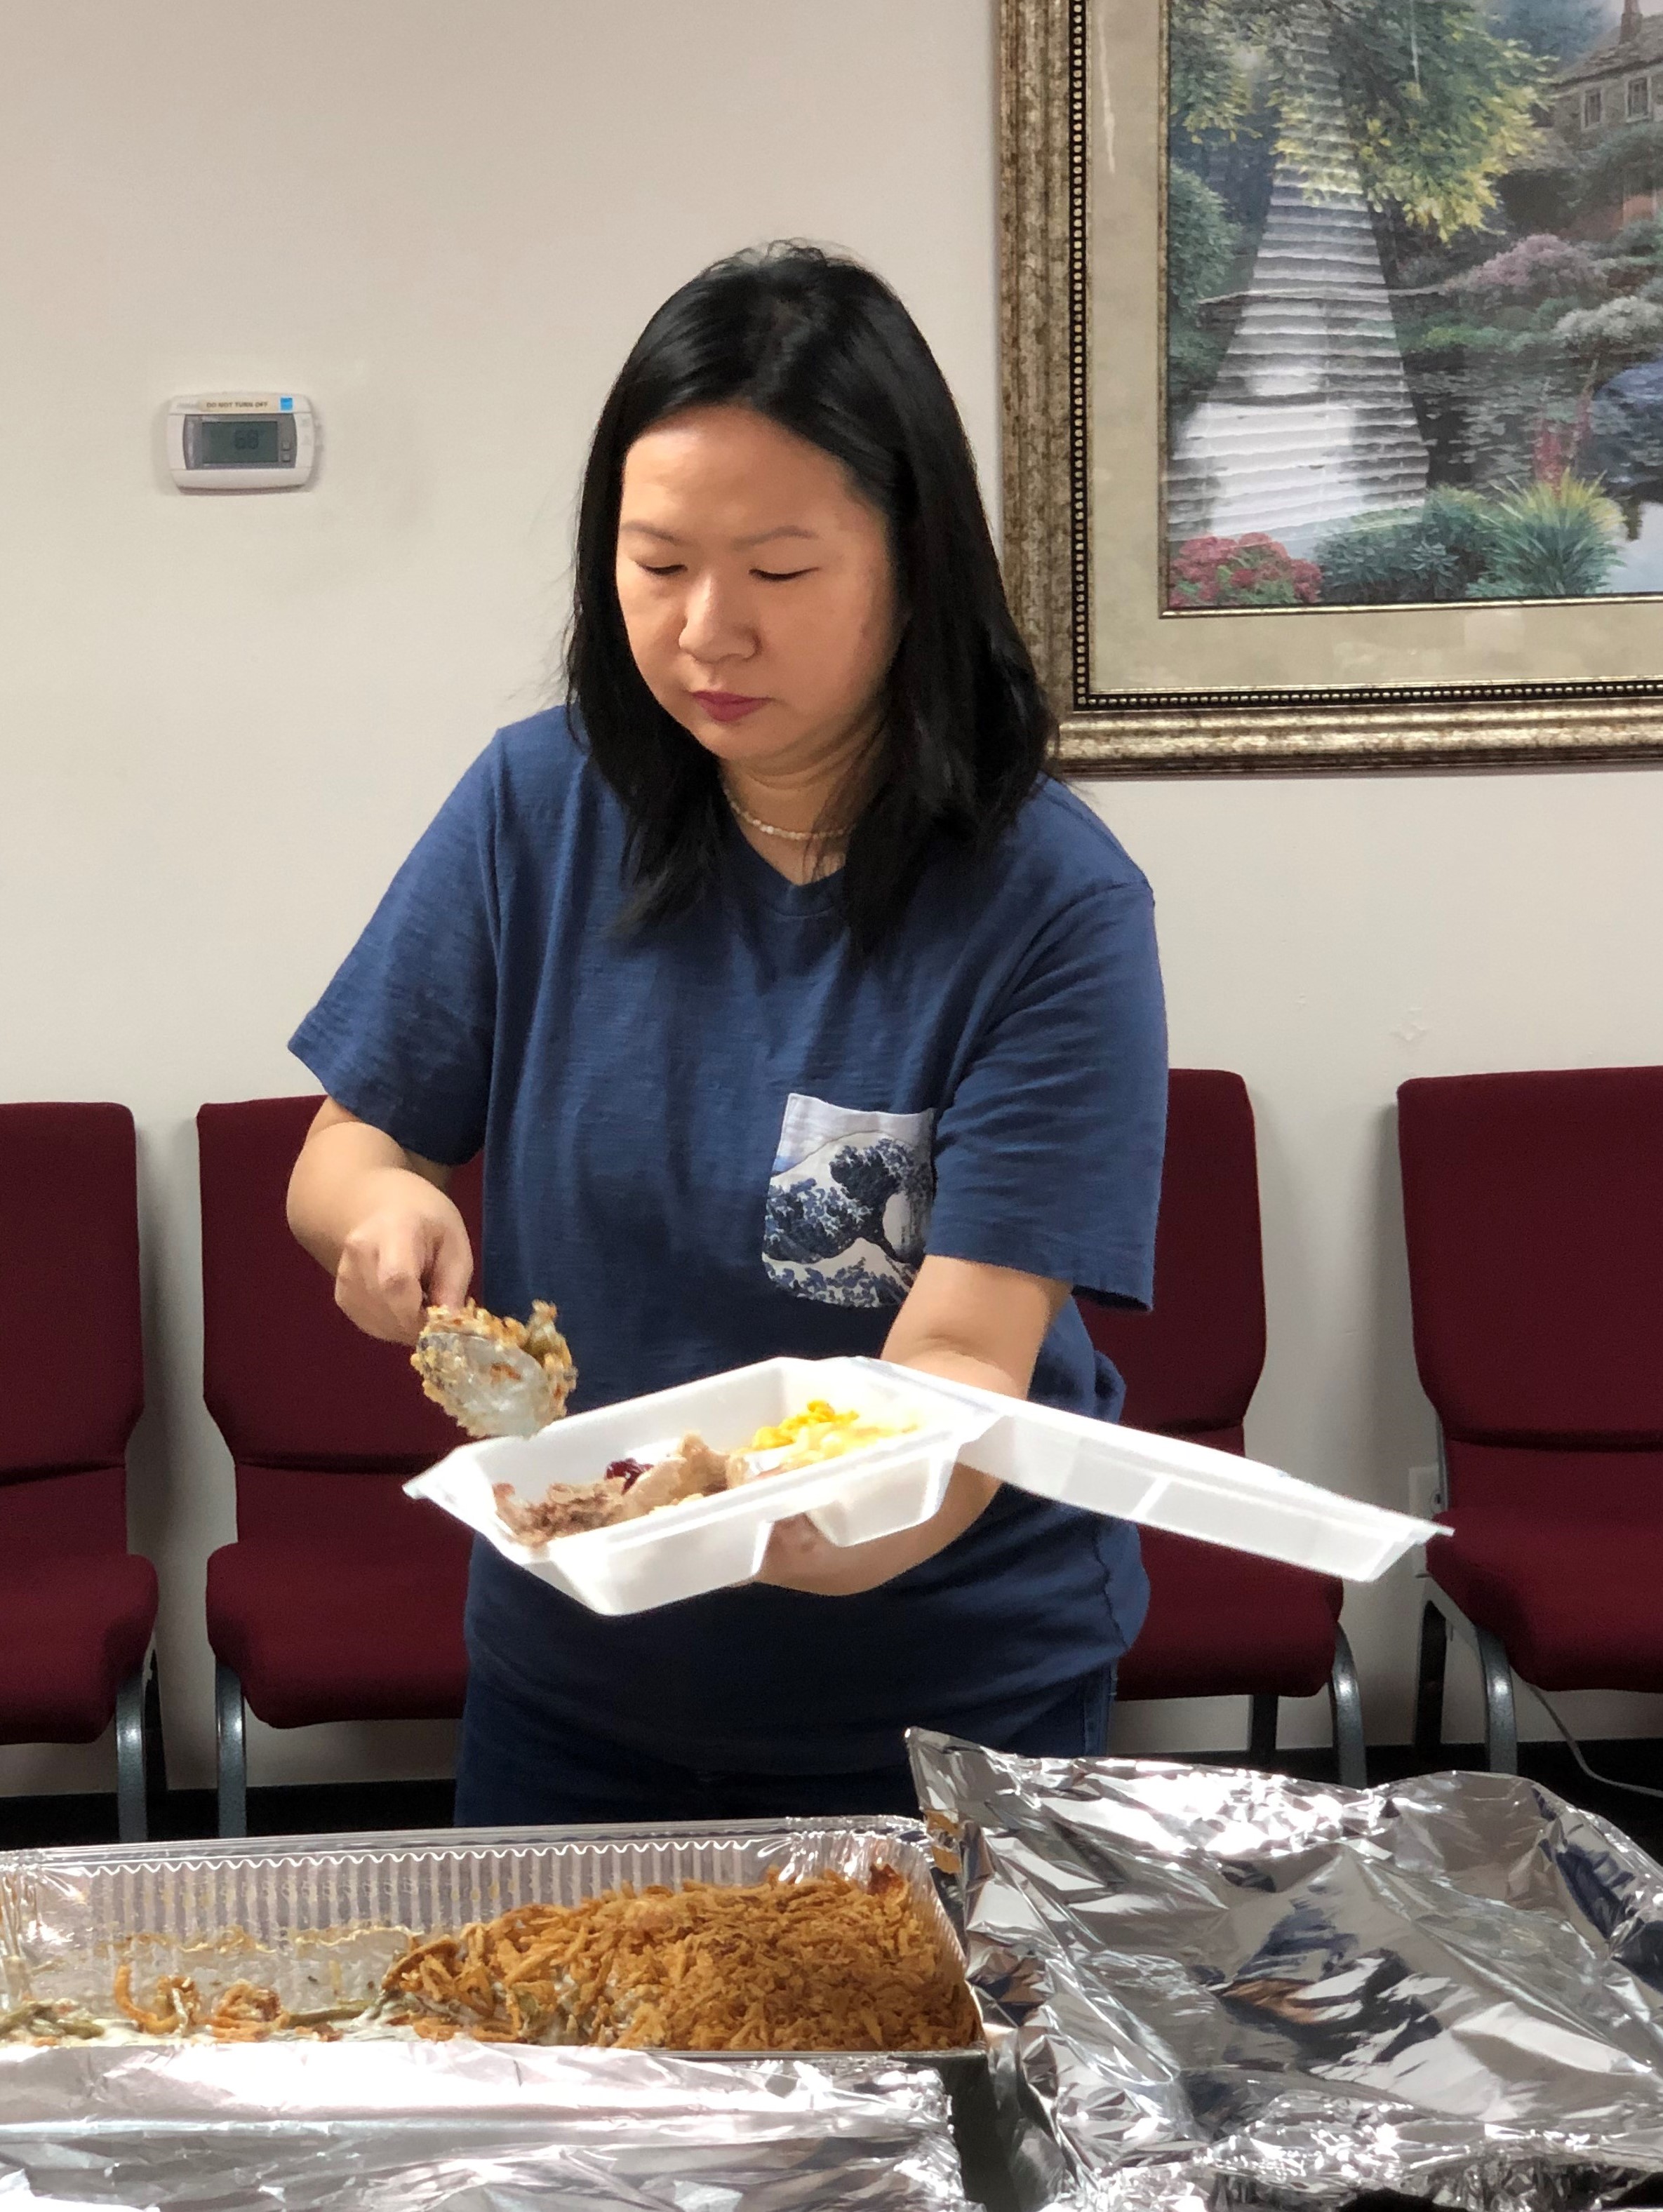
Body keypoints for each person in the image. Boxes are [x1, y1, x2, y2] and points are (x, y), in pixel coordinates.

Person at [286, 242, 1168, 1827]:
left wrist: (842, 1517)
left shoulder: (1051, 903)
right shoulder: (536, 807)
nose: (707, 630)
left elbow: (965, 1354)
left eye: (778, 572)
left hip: (947, 1704)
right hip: (576, 1672)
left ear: (915, 563)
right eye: (657, 562)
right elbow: (348, 1147)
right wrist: (382, 1211)